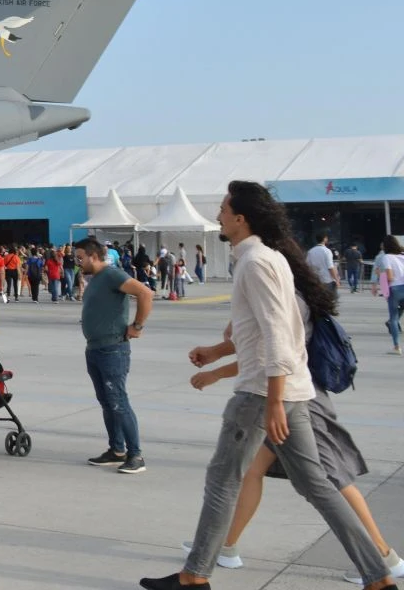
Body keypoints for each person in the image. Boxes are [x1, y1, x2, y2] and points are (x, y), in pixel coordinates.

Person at [141, 181, 396, 590]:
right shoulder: (268, 258)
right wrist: (217, 353)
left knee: (223, 480)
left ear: (241, 218)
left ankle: (194, 576)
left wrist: (274, 400)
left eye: (224, 209)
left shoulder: (256, 262)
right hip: (290, 390)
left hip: (262, 394)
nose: (219, 215)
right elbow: (269, 332)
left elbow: (278, 334)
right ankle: (378, 576)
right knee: (317, 485)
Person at [74, 237, 152, 475]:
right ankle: (117, 450)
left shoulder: (111, 274)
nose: (77, 262)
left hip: (112, 349)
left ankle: (135, 454)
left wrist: (137, 326)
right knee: (107, 402)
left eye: (80, 258)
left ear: (93, 256)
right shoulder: (97, 279)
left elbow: (145, 293)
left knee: (118, 401)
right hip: (95, 348)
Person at [374, 236, 404, 356]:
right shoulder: (402, 255)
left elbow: (390, 277)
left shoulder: (386, 257)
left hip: (395, 289)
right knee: (399, 313)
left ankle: (397, 347)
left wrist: (381, 276)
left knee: (394, 318)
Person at [306, 233, 339, 297]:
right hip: (327, 280)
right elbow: (330, 267)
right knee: (331, 299)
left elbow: (307, 266)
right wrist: (336, 279)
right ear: (325, 239)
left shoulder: (310, 251)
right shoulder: (327, 251)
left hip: (315, 280)